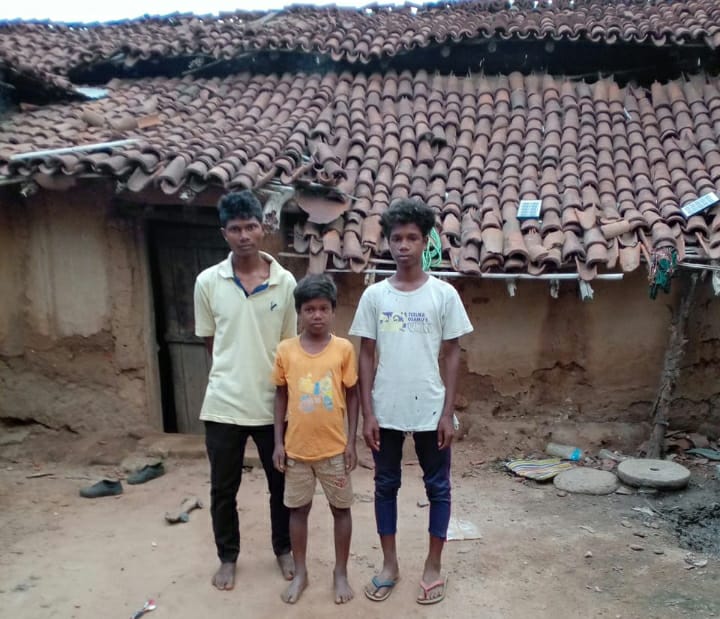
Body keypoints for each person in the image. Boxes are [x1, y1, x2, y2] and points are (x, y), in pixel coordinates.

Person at [349, 198, 473, 605]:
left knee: (438, 487)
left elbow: (452, 353)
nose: (403, 245)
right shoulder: (374, 296)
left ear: (425, 242)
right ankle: (390, 565)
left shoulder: (443, 294)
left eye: (412, 238)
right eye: (396, 238)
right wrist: (368, 413)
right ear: (387, 242)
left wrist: (447, 412)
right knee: (385, 486)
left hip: (430, 410)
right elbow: (366, 354)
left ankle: (433, 565)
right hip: (385, 410)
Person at [194, 190, 296, 591]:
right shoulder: (208, 282)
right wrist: (233, 372)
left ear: (263, 228)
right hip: (224, 405)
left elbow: (289, 348)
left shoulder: (285, 283)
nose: (244, 236)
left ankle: (283, 548)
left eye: (250, 226)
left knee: (281, 485)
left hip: (273, 405)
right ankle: (227, 557)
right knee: (223, 489)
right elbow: (211, 342)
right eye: (235, 229)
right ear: (224, 233)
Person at [272, 274, 359, 605]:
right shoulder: (286, 350)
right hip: (297, 451)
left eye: (323, 308)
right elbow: (280, 395)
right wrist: (278, 443)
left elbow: (353, 395)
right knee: (298, 510)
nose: (317, 315)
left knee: (341, 509)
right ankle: (301, 572)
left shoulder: (343, 349)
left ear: (333, 311)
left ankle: (340, 572)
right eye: (309, 309)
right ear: (299, 312)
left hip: (334, 450)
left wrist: (351, 443)